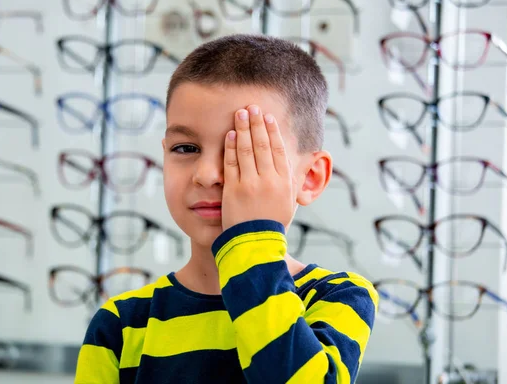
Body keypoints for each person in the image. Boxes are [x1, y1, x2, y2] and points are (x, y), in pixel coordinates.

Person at [74, 34, 378, 384]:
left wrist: (252, 240)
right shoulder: (120, 324)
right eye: (186, 148)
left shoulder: (337, 297)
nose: (206, 175)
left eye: (247, 151)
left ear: (309, 178)